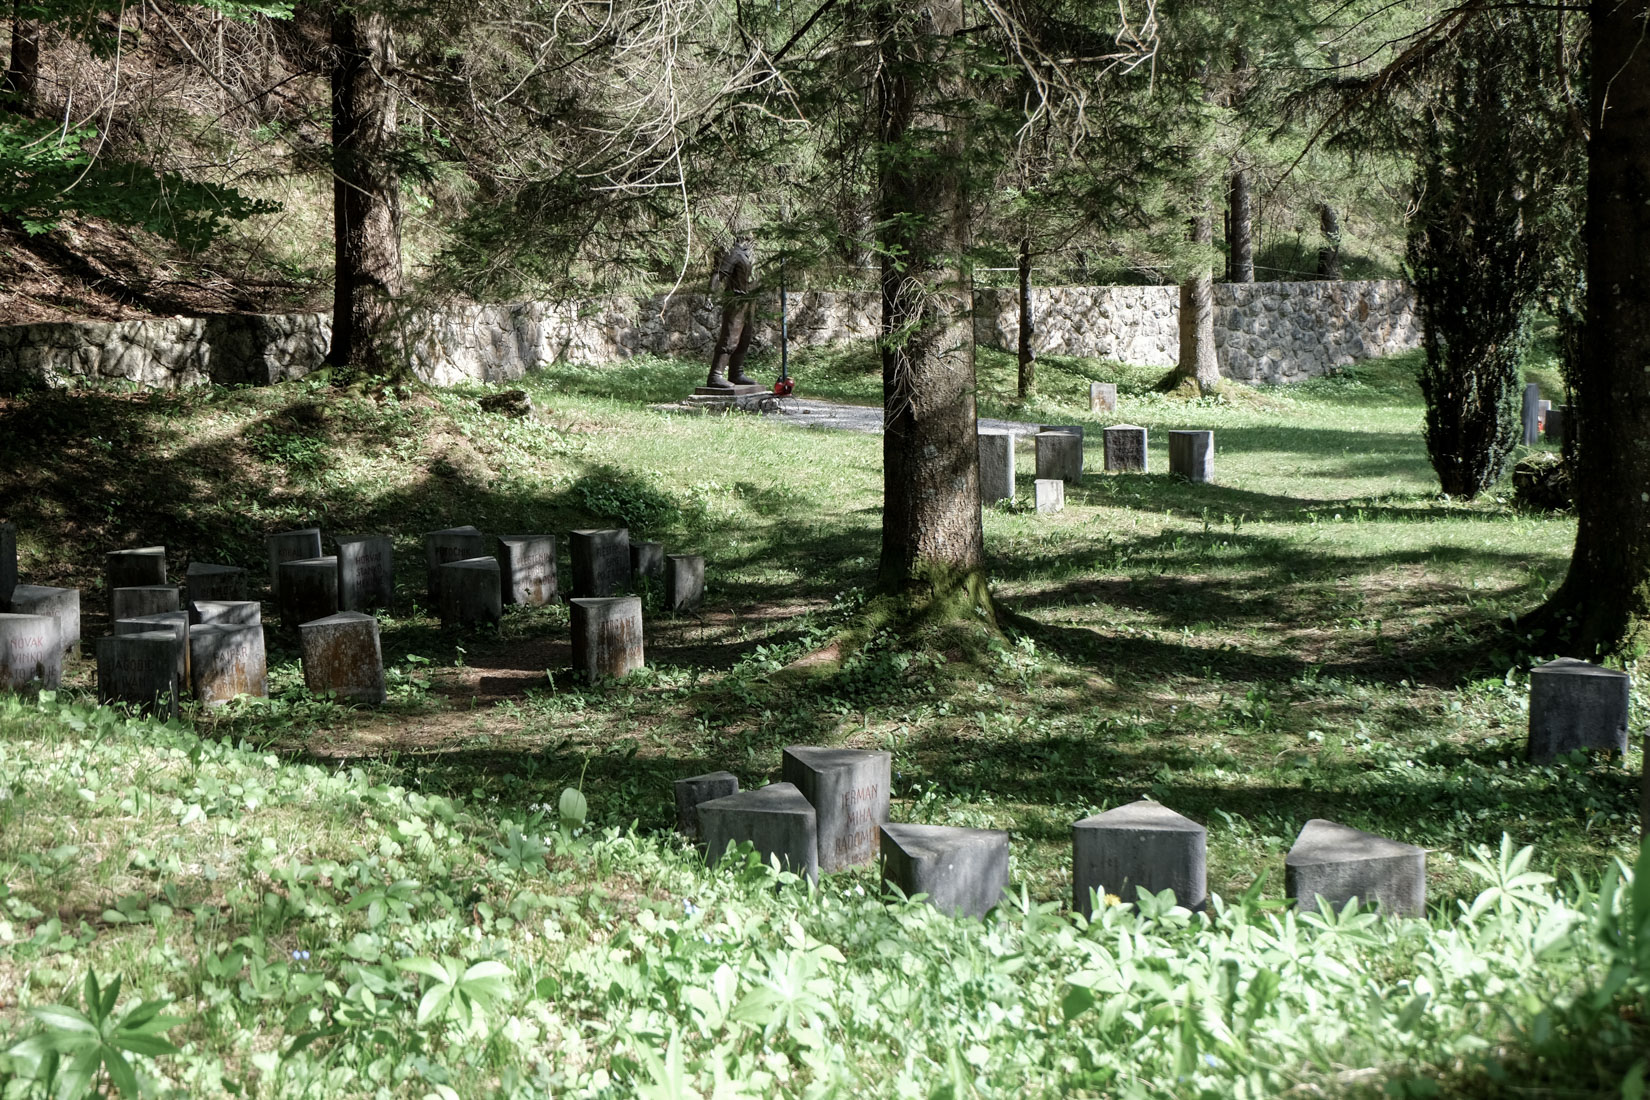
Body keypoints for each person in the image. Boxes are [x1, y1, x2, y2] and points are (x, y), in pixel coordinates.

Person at [706, 238, 756, 390]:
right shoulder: (732, 253)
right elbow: (718, 274)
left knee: (745, 338)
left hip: (748, 300)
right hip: (736, 300)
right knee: (730, 338)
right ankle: (715, 375)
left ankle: (736, 373)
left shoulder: (747, 253)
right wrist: (710, 295)